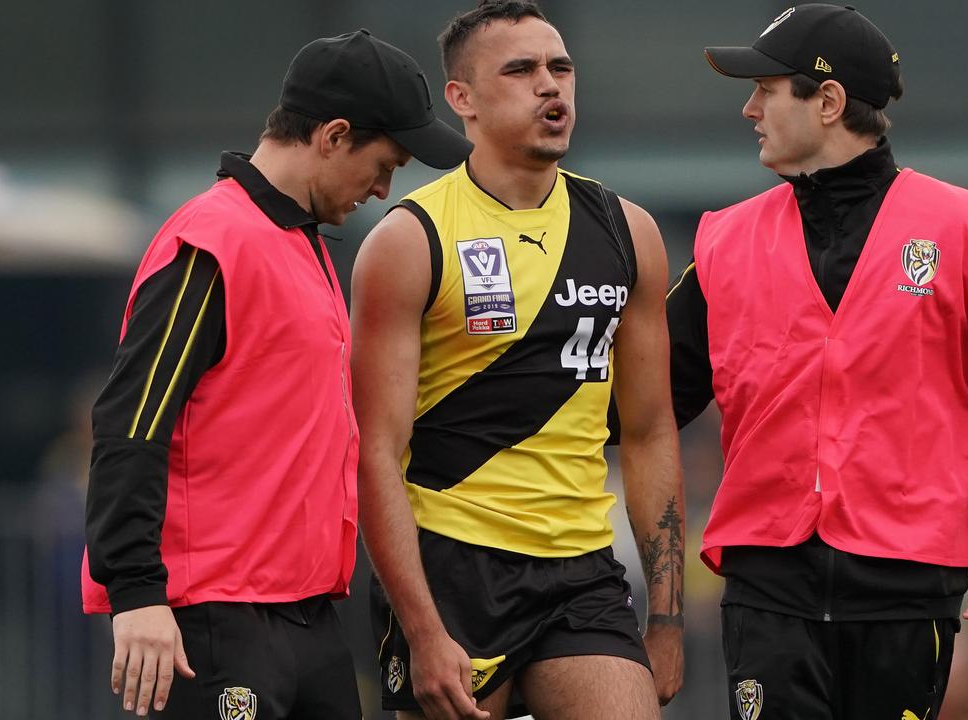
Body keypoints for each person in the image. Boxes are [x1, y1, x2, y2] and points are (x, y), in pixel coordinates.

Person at [669, 5, 968, 719]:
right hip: (767, 592)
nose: (748, 108)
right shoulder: (723, 246)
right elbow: (641, 405)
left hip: (908, 596)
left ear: (827, 102)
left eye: (766, 89)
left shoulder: (963, 234)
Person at [81, 30, 471, 719]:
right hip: (213, 620)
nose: (384, 189)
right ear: (333, 135)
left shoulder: (299, 242)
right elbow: (130, 422)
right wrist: (138, 594)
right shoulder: (211, 241)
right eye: (384, 164)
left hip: (306, 617)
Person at [350, 2, 685, 718]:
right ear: (462, 99)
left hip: (582, 572)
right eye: (522, 70)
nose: (550, 87)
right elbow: (375, 450)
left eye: (561, 68)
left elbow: (652, 431)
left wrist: (666, 617)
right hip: (449, 565)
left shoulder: (630, 232)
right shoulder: (410, 239)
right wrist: (420, 628)